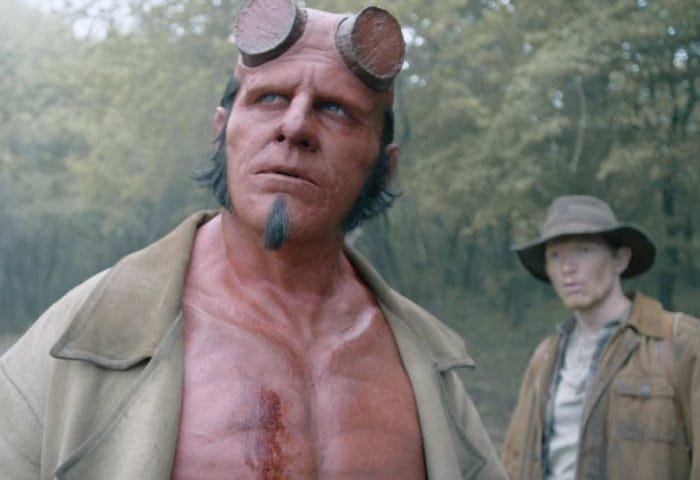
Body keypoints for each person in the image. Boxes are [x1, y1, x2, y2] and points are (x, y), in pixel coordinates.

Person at [0, 0, 506, 478]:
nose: (295, 126)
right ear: (222, 131)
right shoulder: (80, 341)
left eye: (336, 109)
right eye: (270, 98)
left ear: (384, 165)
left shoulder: (428, 367)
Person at [502, 194, 700, 480]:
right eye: (555, 256)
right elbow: (514, 460)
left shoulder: (679, 342)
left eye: (583, 251)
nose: (567, 268)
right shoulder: (545, 357)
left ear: (620, 259)